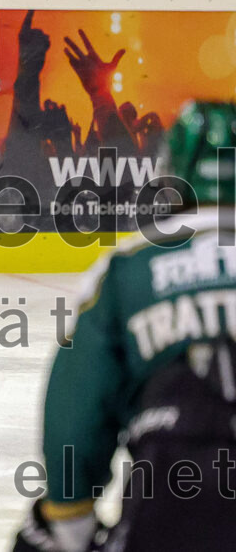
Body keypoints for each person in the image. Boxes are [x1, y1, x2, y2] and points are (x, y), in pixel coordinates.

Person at [12, 100, 236, 552]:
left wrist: (69, 520)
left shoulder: (127, 269)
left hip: (178, 494)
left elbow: (75, 406)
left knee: (38, 537)